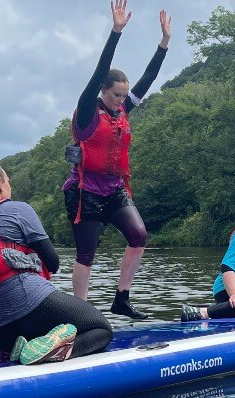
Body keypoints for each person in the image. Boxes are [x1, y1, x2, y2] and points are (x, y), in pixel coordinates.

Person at [62, 0, 171, 319]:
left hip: (113, 188)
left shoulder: (121, 111)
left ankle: (121, 299)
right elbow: (99, 72)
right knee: (86, 253)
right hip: (84, 190)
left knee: (139, 235)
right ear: (103, 92)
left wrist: (163, 44)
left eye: (124, 96)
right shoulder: (87, 112)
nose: (122, 101)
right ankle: (80, 311)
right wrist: (116, 32)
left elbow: (149, 78)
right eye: (116, 95)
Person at [0, 161, 112, 365]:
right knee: (101, 330)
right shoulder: (17, 209)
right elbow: (53, 263)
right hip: (31, 302)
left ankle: (26, 346)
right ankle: (54, 351)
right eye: (8, 181)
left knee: (33, 330)